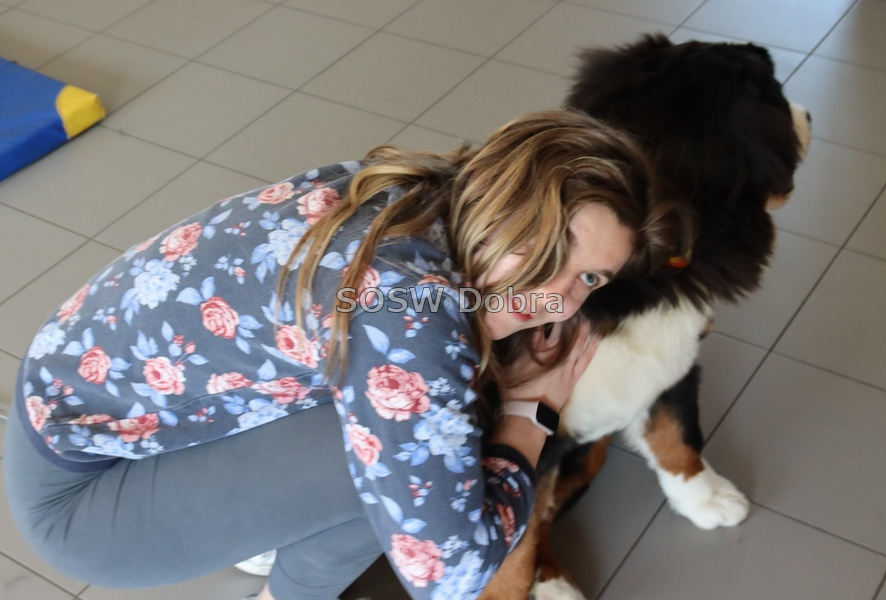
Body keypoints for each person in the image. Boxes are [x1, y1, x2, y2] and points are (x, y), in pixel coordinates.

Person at [4, 110, 682, 600]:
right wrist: (532, 410)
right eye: (544, 248)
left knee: (414, 439)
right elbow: (451, 575)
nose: (556, 300)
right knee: (441, 445)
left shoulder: (422, 190)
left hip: (80, 405)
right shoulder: (409, 310)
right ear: (502, 197)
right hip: (84, 503)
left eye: (588, 277)